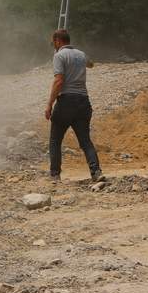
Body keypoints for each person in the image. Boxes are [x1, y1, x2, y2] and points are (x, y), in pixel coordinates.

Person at [44, 28, 102, 181]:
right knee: (85, 141)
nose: (53, 46)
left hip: (66, 102)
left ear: (58, 41)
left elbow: (58, 81)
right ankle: (96, 172)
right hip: (83, 102)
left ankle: (55, 175)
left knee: (55, 140)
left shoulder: (59, 56)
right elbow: (91, 64)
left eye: (53, 43)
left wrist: (49, 104)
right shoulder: (81, 54)